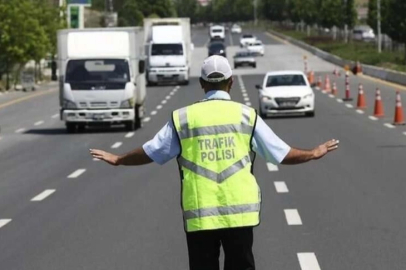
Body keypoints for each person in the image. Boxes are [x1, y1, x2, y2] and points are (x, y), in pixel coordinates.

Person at [90, 55, 339, 270]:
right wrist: (313, 153)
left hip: (200, 215)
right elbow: (281, 154)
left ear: (201, 84)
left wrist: (119, 159)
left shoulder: (184, 118)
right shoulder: (246, 116)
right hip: (240, 215)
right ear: (231, 83)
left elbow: (152, 151)